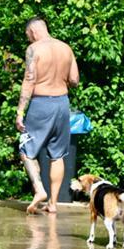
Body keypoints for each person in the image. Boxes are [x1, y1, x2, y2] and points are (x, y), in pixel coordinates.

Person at [15, 17, 79, 214]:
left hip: (41, 104)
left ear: (33, 32)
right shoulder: (66, 48)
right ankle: (53, 203)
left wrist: (20, 111)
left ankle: (39, 190)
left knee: (25, 148)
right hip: (62, 103)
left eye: (28, 37)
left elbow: (29, 80)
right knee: (57, 155)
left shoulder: (34, 49)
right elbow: (75, 80)